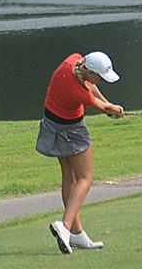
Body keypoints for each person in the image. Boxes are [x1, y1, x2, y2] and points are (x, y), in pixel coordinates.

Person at [36, 51, 124, 254]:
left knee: (70, 177)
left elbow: (94, 91)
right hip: (71, 130)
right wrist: (114, 110)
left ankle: (77, 234)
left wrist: (110, 105)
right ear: (91, 72)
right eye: (100, 77)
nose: (102, 81)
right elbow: (100, 106)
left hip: (52, 122)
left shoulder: (73, 60)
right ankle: (65, 227)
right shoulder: (79, 92)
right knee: (86, 178)